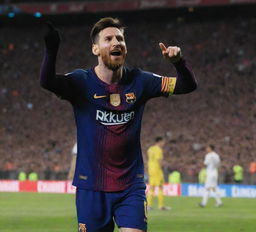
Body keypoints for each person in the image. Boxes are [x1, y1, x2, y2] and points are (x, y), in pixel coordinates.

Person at [40, 17, 197, 232]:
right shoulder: (80, 82)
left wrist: (178, 63)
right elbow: (47, 82)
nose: (116, 42)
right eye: (109, 38)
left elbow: (186, 86)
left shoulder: (140, 80)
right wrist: (51, 50)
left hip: (130, 187)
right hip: (91, 187)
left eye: (120, 38)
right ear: (95, 49)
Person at [147, 137, 170, 211]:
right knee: (160, 187)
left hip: (151, 170)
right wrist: (164, 166)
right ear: (159, 141)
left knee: (151, 188)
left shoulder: (150, 149)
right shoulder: (158, 150)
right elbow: (159, 161)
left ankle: (149, 205)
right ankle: (161, 206)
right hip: (157, 170)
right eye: (163, 142)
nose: (163, 143)